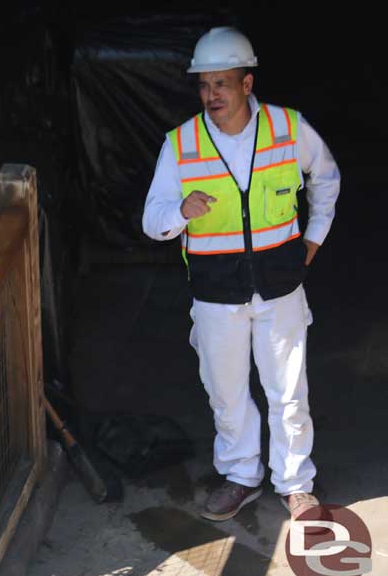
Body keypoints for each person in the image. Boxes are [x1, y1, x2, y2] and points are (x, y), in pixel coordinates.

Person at [142, 27, 341, 522]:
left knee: (289, 390)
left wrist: (312, 238)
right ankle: (241, 476)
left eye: (222, 84)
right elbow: (152, 221)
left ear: (246, 84)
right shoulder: (181, 144)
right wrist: (181, 212)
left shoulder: (289, 129)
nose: (212, 95)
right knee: (226, 392)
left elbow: (327, 178)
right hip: (215, 293)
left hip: (280, 288)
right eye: (205, 85)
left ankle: (296, 484)